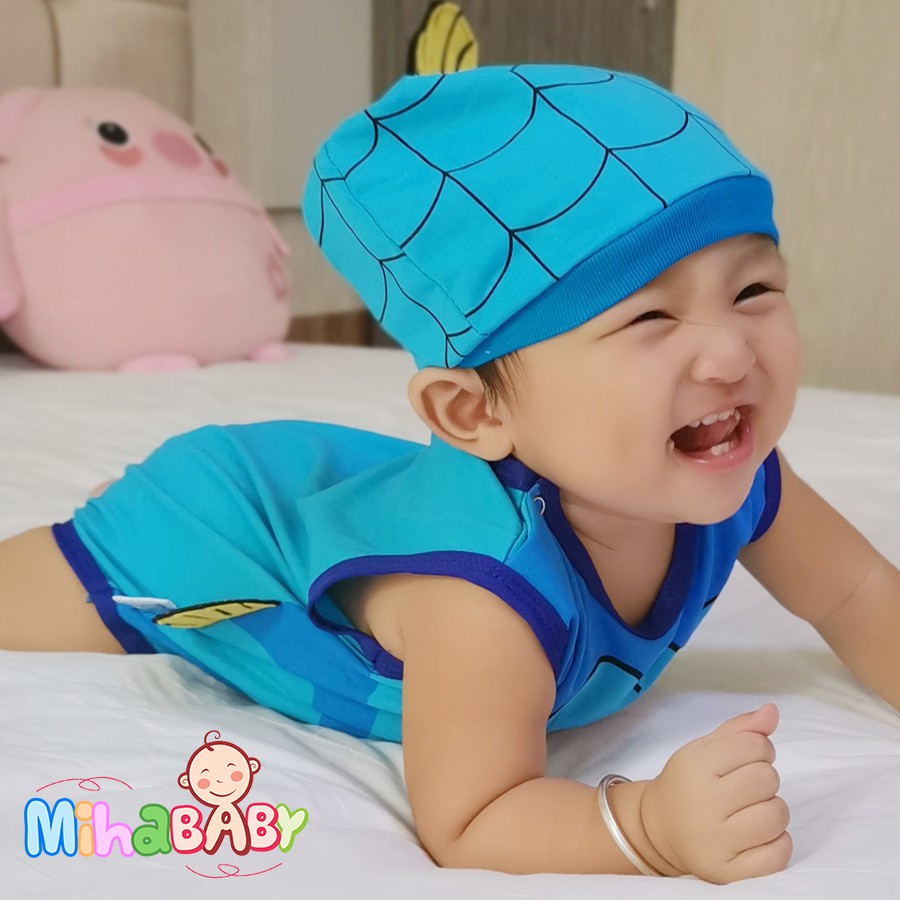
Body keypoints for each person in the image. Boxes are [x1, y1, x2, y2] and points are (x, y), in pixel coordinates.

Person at [2, 64, 898, 884]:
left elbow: (854, 591)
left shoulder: (730, 468)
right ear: (474, 415)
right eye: (649, 319)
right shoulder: (483, 600)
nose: (732, 353)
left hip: (351, 485)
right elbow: (471, 819)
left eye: (753, 291)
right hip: (210, 534)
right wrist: (645, 827)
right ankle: (107, 524)